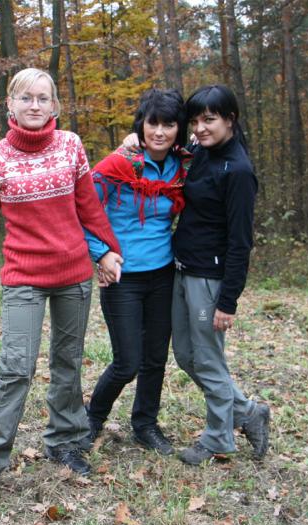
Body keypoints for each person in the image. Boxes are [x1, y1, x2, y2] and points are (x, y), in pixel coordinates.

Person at [0, 67, 123, 510]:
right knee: (16, 368)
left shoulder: (71, 145)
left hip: (73, 274)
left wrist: (109, 250)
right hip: (24, 277)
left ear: (54, 104)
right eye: (25, 98)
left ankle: (65, 442)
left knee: (68, 362)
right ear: (10, 104)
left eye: (42, 98)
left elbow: (88, 206)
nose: (34, 105)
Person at [83, 89, 192, 455]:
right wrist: (100, 254)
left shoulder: (183, 165)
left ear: (179, 129)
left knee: (155, 358)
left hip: (163, 274)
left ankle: (145, 425)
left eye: (169, 124)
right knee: (127, 361)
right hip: (122, 276)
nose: (160, 132)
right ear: (141, 125)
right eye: (153, 123)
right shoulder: (119, 163)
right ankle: (92, 419)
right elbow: (83, 209)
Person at [169, 85, 271, 465]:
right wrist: (134, 141)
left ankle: (218, 438)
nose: (200, 128)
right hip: (182, 268)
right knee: (185, 355)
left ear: (230, 119)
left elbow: (241, 242)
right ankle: (247, 411)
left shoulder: (239, 171)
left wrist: (228, 301)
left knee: (209, 361)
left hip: (209, 279)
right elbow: (169, 149)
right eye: (195, 121)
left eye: (209, 120)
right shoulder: (200, 151)